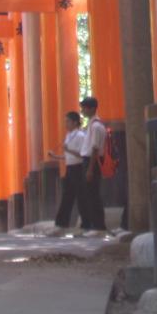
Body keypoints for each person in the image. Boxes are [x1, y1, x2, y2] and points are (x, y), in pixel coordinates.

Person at [49, 111, 87, 233]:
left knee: (81, 196)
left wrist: (68, 149)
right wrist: (56, 156)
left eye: (68, 121)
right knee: (67, 196)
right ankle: (61, 223)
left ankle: (86, 224)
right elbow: (68, 156)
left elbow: (82, 154)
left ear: (75, 122)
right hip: (70, 168)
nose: (65, 124)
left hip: (78, 168)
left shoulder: (80, 136)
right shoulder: (69, 135)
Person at [78, 95, 108, 232]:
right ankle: (95, 225)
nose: (82, 111)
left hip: (92, 162)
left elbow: (95, 148)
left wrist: (90, 169)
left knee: (93, 194)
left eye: (84, 108)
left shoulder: (96, 126)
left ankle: (99, 226)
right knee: (89, 194)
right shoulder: (91, 125)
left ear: (92, 109)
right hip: (88, 161)